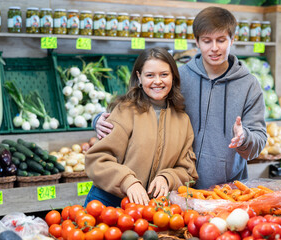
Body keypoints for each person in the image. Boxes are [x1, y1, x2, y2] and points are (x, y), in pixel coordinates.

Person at [93, 6, 267, 189]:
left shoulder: (249, 85)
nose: (214, 48)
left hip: (226, 189)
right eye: (207, 41)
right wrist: (99, 120)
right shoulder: (179, 77)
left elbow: (259, 139)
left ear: (232, 39)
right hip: (177, 187)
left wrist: (244, 138)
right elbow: (142, 106)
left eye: (221, 40)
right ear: (197, 42)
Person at [84, 47, 198, 207]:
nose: (157, 81)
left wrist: (168, 177)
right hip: (108, 202)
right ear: (139, 77)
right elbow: (97, 160)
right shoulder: (125, 111)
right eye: (150, 75)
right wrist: (127, 181)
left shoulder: (182, 120)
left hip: (148, 208)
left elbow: (188, 170)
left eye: (164, 74)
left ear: (173, 77)